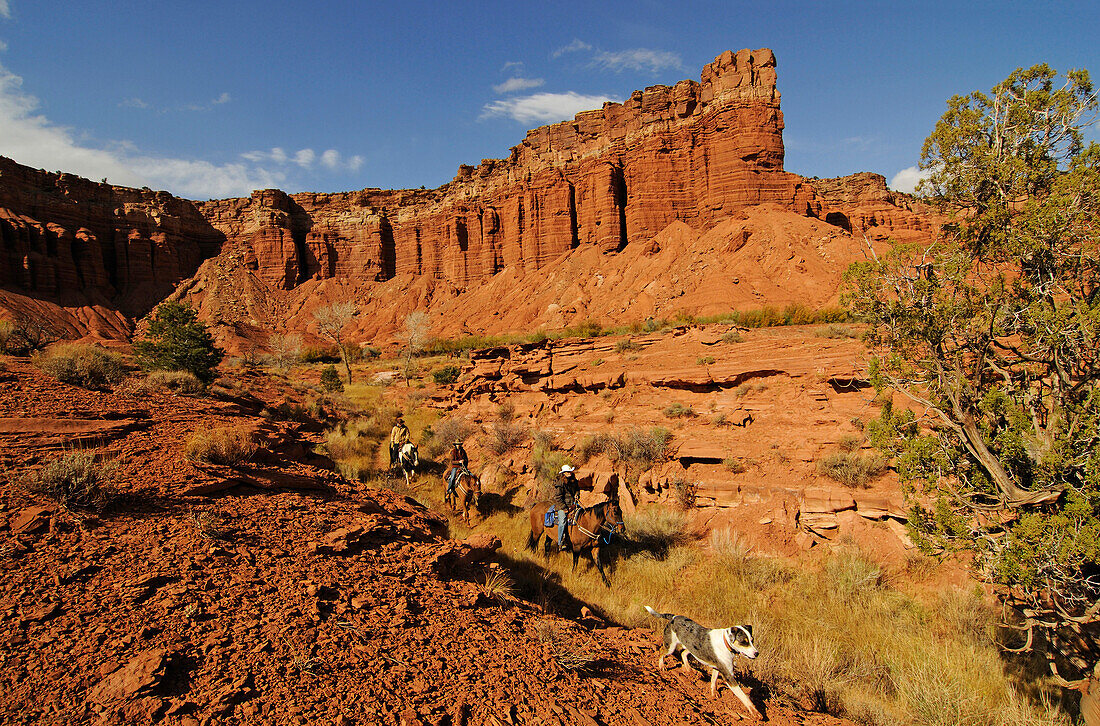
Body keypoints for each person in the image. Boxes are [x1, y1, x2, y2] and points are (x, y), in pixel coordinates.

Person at [550, 464, 580, 550]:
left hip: (573, 504)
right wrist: (564, 508)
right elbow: (558, 497)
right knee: (562, 522)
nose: (569, 473)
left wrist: (577, 495)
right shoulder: (560, 483)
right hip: (562, 506)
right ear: (563, 473)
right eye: (567, 472)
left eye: (570, 471)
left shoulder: (574, 481)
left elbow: (577, 490)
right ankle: (560, 542)